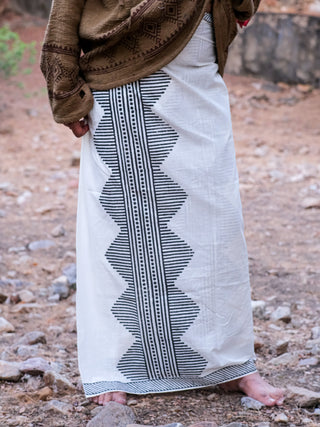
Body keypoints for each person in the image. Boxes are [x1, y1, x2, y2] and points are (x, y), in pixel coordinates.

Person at [41, 0, 284, 407]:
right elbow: (66, 8)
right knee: (122, 232)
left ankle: (230, 363)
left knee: (216, 225)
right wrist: (64, 89)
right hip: (122, 79)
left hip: (197, 75)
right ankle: (115, 368)